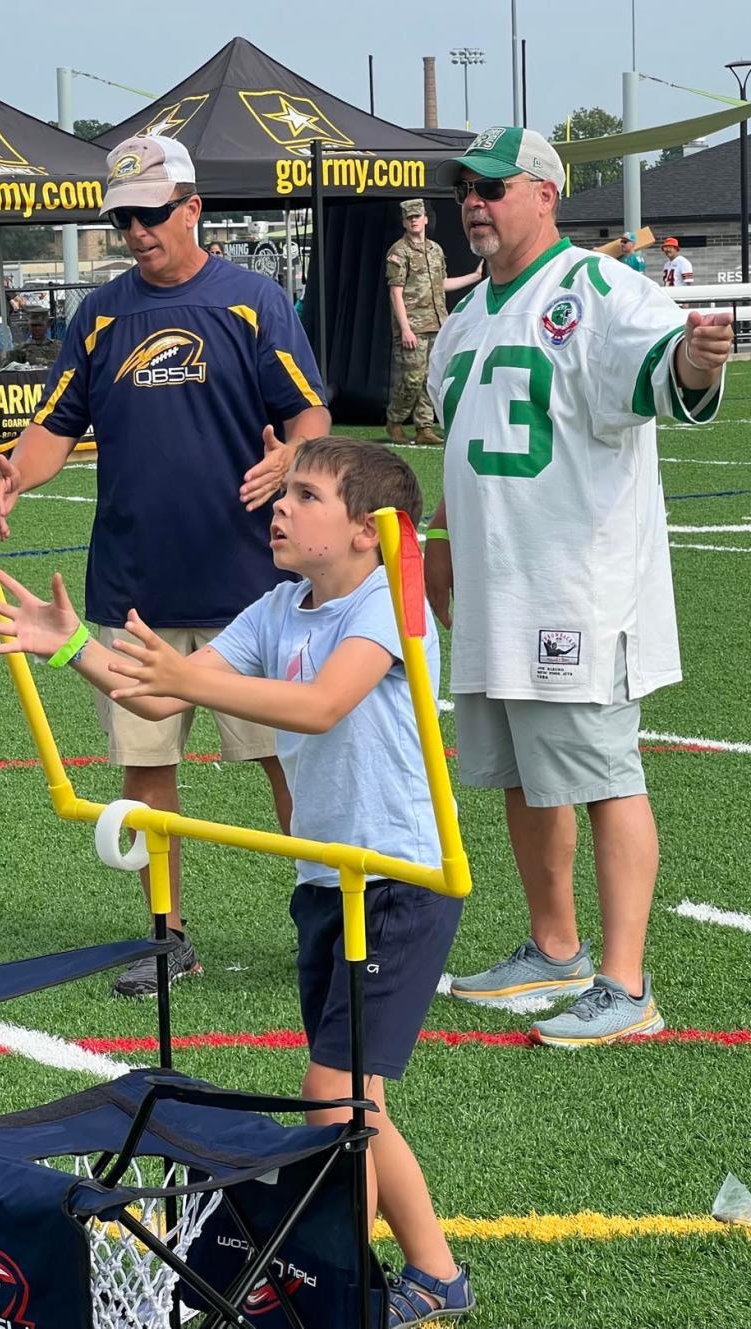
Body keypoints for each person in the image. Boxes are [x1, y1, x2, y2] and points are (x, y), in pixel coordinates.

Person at [0, 438, 474, 1326]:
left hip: (399, 879)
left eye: (305, 495)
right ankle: (434, 1275)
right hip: (330, 882)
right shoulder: (280, 606)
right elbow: (160, 697)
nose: (279, 507)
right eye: (283, 493)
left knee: (334, 1099)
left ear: (366, 530)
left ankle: (322, 1289)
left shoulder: (383, 609)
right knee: (357, 1098)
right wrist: (73, 645)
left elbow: (320, 703)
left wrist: (187, 677)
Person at [0, 133, 330, 998]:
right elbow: (58, 425)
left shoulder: (252, 302)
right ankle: (166, 935)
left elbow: (311, 416)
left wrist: (291, 461)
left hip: (251, 590)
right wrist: (18, 474)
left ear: (192, 208)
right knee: (146, 770)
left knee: (285, 763)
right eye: (122, 218)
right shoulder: (101, 314)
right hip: (135, 585)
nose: (136, 232)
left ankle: (327, 919)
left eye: (149, 215)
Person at [424, 125, 732, 1047]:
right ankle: (554, 948)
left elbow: (661, 371)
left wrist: (697, 360)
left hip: (578, 590)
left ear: (545, 193)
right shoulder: (464, 321)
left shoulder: (599, 290)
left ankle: (627, 984)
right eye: (466, 190)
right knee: (523, 777)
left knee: (604, 776)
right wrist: (442, 558)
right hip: (494, 588)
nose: (473, 203)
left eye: (492, 187)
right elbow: (458, 458)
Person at [385, 199, 482, 447]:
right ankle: (394, 421)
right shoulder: (399, 252)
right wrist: (405, 328)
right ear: (405, 223)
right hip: (413, 326)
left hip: (437, 323)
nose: (414, 220)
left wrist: (474, 276)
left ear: (426, 219)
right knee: (412, 379)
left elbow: (441, 285)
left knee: (432, 378)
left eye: (418, 216)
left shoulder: (435, 250)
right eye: (410, 218)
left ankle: (424, 427)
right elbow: (395, 292)